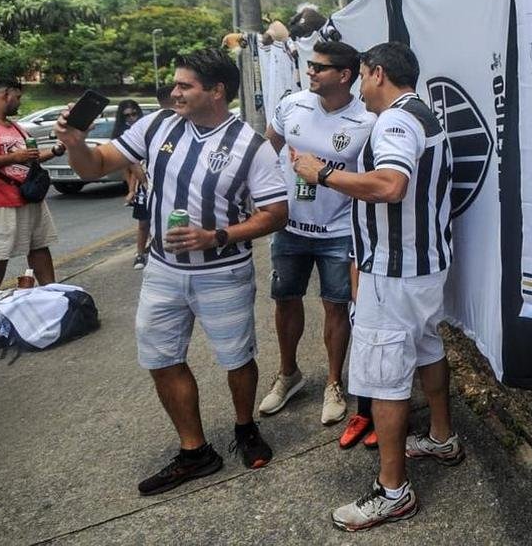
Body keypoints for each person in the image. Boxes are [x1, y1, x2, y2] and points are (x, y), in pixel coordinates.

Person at [55, 49, 289, 496]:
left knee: (236, 358)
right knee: (162, 359)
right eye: (175, 85)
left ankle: (245, 427)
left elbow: (276, 213)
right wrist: (75, 142)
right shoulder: (158, 124)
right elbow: (95, 166)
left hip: (223, 270)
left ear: (216, 91)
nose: (173, 92)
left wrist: (216, 236)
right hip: (162, 271)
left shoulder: (251, 145)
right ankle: (195, 451)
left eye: (185, 86)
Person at [292, 42, 460, 531]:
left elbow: (391, 185)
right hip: (422, 266)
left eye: (362, 76)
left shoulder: (395, 121)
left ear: (377, 73)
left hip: (395, 271)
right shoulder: (422, 114)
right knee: (427, 348)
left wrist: (322, 173)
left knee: (386, 377)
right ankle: (442, 437)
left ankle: (393, 492)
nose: (361, 87)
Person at [259, 41, 375, 427]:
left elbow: (370, 180)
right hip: (289, 226)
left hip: (339, 230)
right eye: (309, 65)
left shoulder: (366, 120)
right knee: (285, 300)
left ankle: (333, 383)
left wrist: (325, 174)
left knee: (335, 306)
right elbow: (264, 150)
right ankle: (288, 374)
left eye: (319, 67)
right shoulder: (292, 104)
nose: (310, 72)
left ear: (344, 76)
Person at [0, 77, 65, 295]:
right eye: (18, 97)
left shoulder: (17, 127)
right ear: (5, 95)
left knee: (39, 248)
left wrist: (56, 151)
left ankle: (53, 295)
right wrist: (14, 157)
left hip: (29, 198)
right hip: (0, 202)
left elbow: (30, 158)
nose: (19, 102)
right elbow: (18, 157)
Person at [111, 100, 150, 269]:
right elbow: (128, 166)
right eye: (127, 115)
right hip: (142, 180)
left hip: (150, 177)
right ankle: (140, 254)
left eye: (134, 114)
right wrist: (132, 188)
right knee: (143, 222)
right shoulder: (121, 136)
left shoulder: (147, 128)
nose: (132, 118)